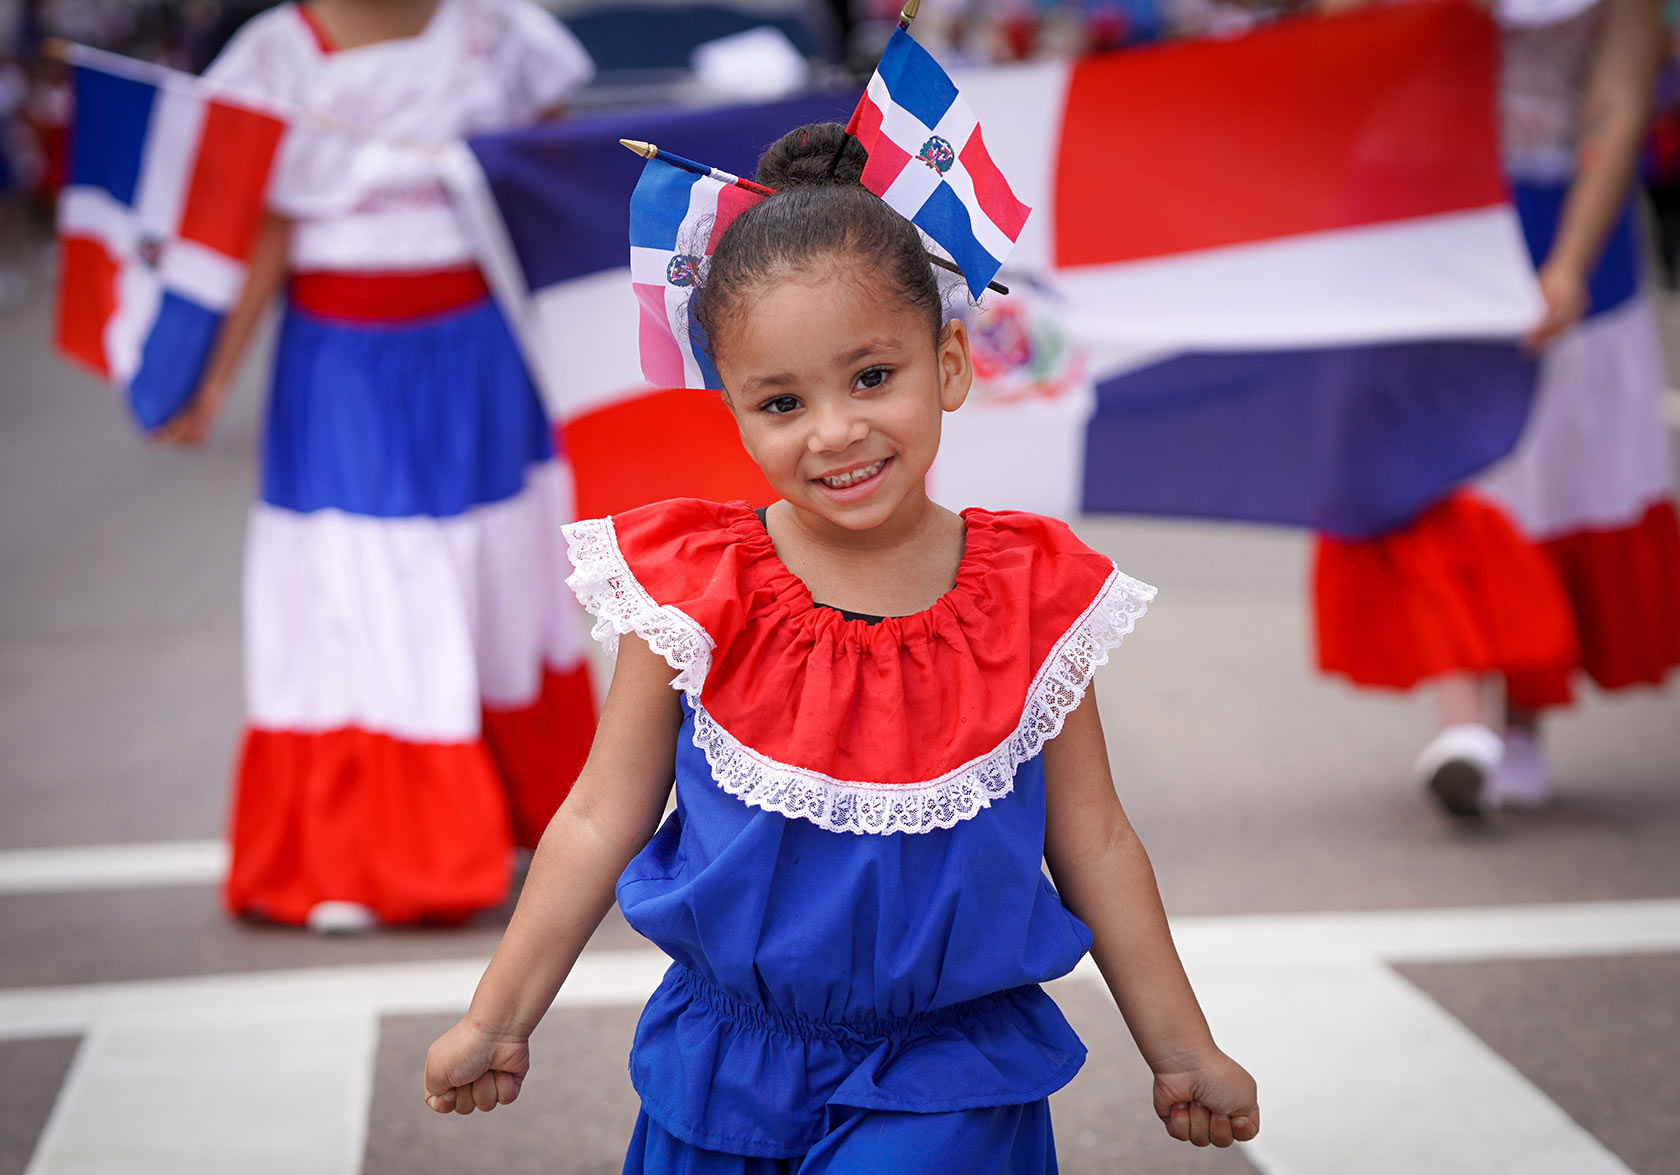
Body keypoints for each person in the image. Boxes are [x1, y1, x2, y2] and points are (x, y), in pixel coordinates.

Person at [421, 123, 1260, 1172]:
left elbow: (1093, 842)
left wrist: (1183, 1048)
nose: (834, 430)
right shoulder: (694, 590)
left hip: (951, 1071)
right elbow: (598, 816)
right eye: (782, 401)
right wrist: (498, 1016)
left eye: (871, 376)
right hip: (723, 1061)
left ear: (948, 363)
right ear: (733, 413)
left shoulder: (1030, 592)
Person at [159, 0, 599, 932]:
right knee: (363, 589)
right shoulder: (272, 57)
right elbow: (263, 232)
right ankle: (365, 852)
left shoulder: (498, 32)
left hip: (483, 355)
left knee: (502, 579)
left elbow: (552, 185)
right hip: (343, 365)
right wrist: (211, 375)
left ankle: (532, 816)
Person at [1314, 0, 1680, 817]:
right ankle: (1465, 721)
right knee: (1440, 474)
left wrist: (1570, 267)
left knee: (1542, 484)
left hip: (1563, 226)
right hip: (1425, 212)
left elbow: (1620, 108)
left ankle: (1517, 723)